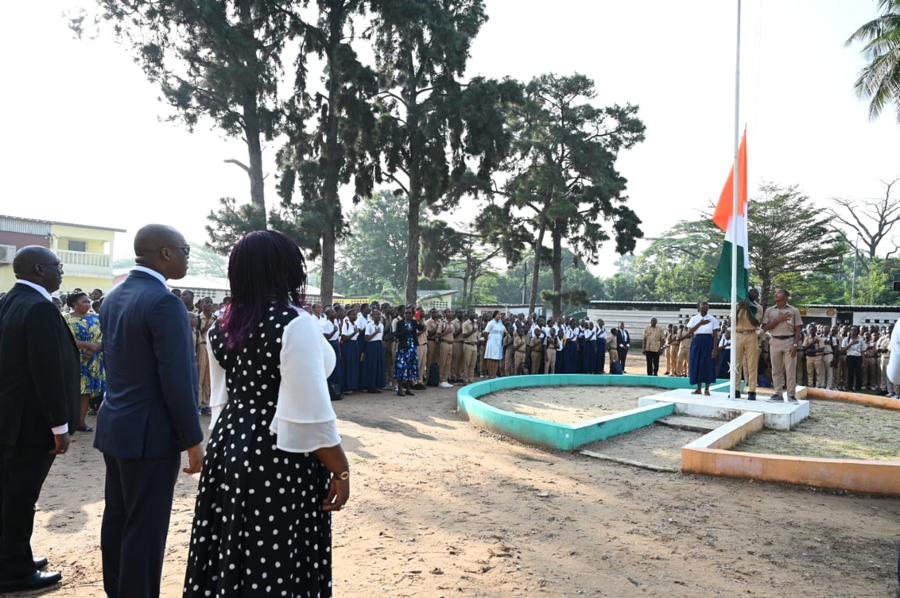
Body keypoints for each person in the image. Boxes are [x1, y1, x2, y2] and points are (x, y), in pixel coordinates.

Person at [183, 230, 350, 597]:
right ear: (286, 270)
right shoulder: (295, 323)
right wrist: (340, 470)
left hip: (231, 442)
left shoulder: (222, 325)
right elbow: (309, 416)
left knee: (231, 542)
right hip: (279, 453)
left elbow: (222, 399)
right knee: (277, 547)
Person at [96, 224, 205, 598]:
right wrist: (193, 438)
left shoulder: (114, 296)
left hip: (116, 425)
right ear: (164, 253)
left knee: (118, 518)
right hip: (150, 433)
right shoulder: (164, 302)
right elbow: (177, 379)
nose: (187, 257)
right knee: (145, 527)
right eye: (185, 249)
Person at [0, 247, 78, 593]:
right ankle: (14, 571)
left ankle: (13, 555)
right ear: (37, 269)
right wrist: (59, 426)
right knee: (20, 498)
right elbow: (46, 372)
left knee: (10, 495)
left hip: (10, 419)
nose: (61, 271)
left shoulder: (9, 301)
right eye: (56, 266)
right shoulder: (40, 307)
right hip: (30, 425)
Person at [65, 291, 107, 429]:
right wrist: (87, 346)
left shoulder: (97, 318)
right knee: (72, 391)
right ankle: (67, 422)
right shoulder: (65, 319)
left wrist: (93, 349)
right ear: (74, 304)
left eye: (88, 301)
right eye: (84, 302)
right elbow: (64, 339)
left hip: (93, 361)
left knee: (86, 391)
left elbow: (104, 335)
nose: (88, 304)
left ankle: (80, 422)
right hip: (72, 359)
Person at [760, 288, 803, 403]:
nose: (775, 294)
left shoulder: (794, 310)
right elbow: (764, 328)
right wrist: (779, 320)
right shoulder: (769, 311)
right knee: (776, 369)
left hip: (789, 341)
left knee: (790, 369)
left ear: (785, 296)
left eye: (779, 293)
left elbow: (798, 328)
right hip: (774, 341)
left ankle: (791, 395)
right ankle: (778, 393)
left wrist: (795, 344)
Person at [734, 288, 762, 400]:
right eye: (751, 291)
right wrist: (738, 309)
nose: (753, 293)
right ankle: (735, 389)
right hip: (738, 334)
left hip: (751, 335)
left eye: (756, 292)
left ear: (757, 295)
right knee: (736, 363)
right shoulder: (737, 304)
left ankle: (752, 391)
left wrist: (749, 310)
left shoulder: (758, 307)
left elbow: (755, 322)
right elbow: (733, 321)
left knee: (752, 364)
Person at [687, 301, 719, 396]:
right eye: (703, 304)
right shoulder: (694, 318)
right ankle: (698, 388)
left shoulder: (712, 319)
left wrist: (715, 348)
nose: (706, 306)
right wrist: (700, 323)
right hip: (697, 341)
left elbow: (715, 335)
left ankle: (707, 389)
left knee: (707, 364)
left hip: (708, 341)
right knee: (696, 363)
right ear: (698, 307)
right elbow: (690, 331)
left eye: (707, 304)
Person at [394, 306, 425, 396]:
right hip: (403, 349)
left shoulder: (414, 322)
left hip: (412, 349)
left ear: (412, 315)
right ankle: (400, 388)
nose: (407, 314)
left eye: (409, 313)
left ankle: (408, 388)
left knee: (411, 368)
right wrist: (407, 331)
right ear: (404, 314)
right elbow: (397, 335)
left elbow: (421, 328)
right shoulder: (400, 323)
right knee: (400, 368)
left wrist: (419, 320)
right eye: (406, 313)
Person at [196, 297, 215, 415]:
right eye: (207, 302)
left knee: (208, 377)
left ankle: (205, 404)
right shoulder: (197, 318)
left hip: (211, 347)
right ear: (201, 304)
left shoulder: (216, 318)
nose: (209, 304)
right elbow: (195, 333)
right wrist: (206, 328)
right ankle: (197, 403)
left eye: (211, 303)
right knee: (200, 375)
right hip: (202, 346)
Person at [361, 310, 386, 393]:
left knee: (378, 365)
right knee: (372, 365)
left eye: (380, 315)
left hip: (379, 345)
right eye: (377, 315)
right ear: (372, 316)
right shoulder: (369, 325)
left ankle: (376, 384)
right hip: (371, 345)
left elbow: (380, 337)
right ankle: (370, 386)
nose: (378, 316)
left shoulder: (381, 325)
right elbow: (366, 338)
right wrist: (375, 332)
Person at [842, 325, 867, 393]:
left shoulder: (860, 339)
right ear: (849, 331)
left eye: (855, 330)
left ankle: (858, 388)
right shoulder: (846, 339)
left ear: (857, 331)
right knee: (850, 373)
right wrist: (851, 344)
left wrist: (863, 361)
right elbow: (843, 350)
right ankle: (850, 388)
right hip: (850, 357)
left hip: (858, 357)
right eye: (852, 330)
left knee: (858, 373)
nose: (853, 331)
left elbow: (862, 351)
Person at [483, 310, 506, 378]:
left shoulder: (500, 323)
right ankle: (490, 374)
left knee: (496, 359)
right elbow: (485, 332)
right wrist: (487, 340)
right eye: (498, 314)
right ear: (495, 315)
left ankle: (494, 374)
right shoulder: (491, 323)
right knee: (491, 359)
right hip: (492, 341)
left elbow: (504, 330)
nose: (500, 316)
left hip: (498, 342)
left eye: (500, 314)